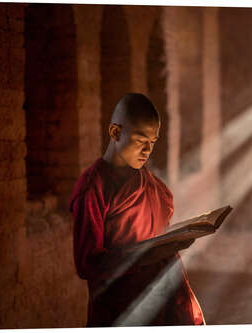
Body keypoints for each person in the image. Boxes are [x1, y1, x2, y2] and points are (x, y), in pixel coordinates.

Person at [69, 93, 205, 326]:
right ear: (115, 132)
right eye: (141, 140)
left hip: (163, 298)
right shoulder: (94, 187)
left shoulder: (150, 183)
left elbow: (161, 225)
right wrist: (143, 255)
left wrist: (176, 240)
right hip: (122, 308)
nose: (147, 151)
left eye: (152, 143)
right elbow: (87, 263)